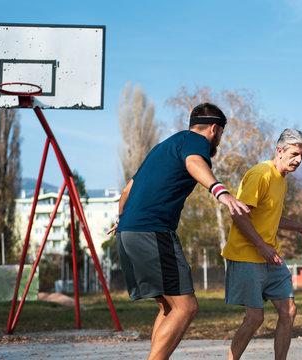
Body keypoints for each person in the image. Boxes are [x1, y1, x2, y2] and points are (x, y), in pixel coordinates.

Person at [108, 103, 249, 360]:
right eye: (220, 135)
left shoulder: (163, 147)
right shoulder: (196, 142)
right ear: (214, 129)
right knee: (186, 307)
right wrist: (221, 191)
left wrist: (123, 220)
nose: (218, 140)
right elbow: (194, 162)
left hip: (128, 231)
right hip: (153, 231)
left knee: (168, 306)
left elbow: (128, 190)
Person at [221, 128, 302, 360]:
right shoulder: (261, 174)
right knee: (255, 318)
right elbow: (239, 214)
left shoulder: (282, 181)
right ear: (279, 151)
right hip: (246, 255)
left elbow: (270, 216)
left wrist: (300, 227)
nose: (299, 160)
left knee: (289, 311)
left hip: (271, 256)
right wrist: (261, 245)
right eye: (294, 154)